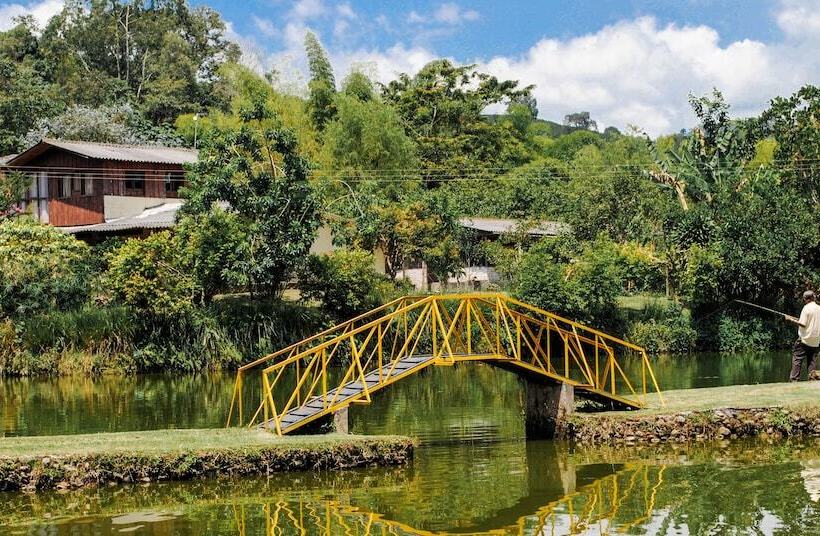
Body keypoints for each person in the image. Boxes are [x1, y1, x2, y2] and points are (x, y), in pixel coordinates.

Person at [785, 290, 820, 381]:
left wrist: (790, 319)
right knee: (811, 363)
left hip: (804, 340)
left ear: (805, 299)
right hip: (816, 341)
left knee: (797, 359)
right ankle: (812, 380)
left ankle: (794, 380)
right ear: (813, 298)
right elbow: (810, 322)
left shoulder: (806, 308)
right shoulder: (819, 308)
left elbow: (803, 324)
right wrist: (797, 319)